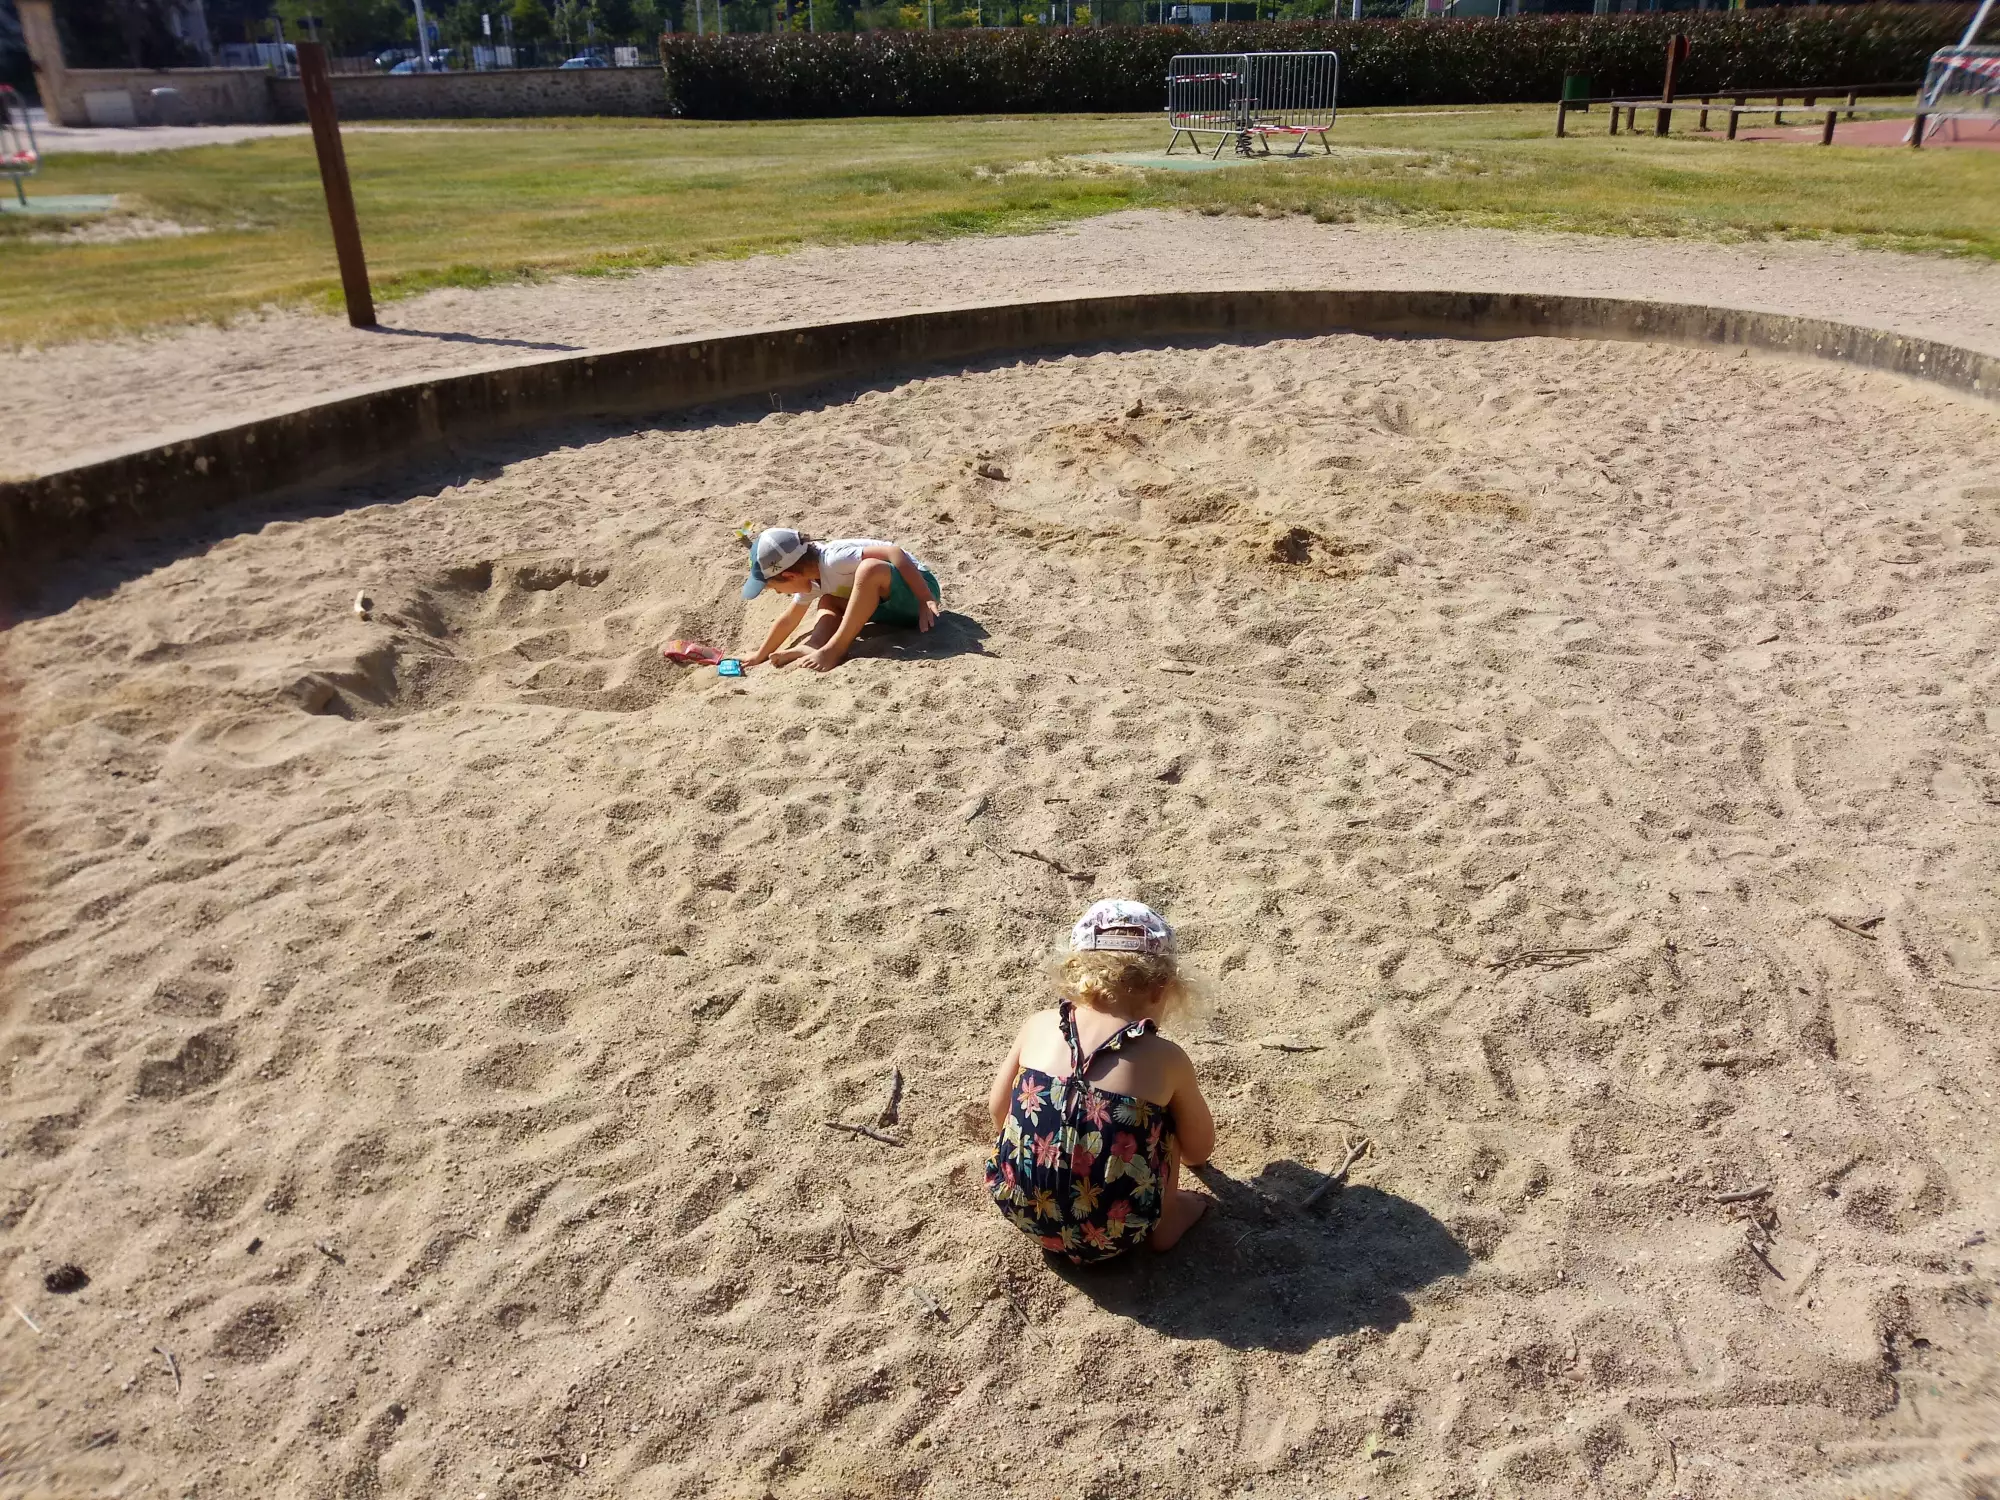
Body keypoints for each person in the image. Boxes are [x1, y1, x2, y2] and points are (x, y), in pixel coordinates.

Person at [985, 900, 1216, 1264]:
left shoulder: (1038, 1025)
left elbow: (998, 1110)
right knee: (1163, 1120)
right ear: (1161, 988)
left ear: (1074, 971)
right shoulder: (1167, 1058)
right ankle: (1167, 1219)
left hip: (1021, 1207)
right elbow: (1199, 1150)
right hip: (1121, 1229)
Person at [738, 527, 941, 673]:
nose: (778, 593)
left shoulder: (833, 559)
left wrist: (925, 597)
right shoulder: (811, 581)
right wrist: (759, 655)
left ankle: (835, 649)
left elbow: (893, 552)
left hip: (917, 593)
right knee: (829, 600)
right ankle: (815, 644)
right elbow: (789, 619)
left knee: (869, 569)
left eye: (775, 588)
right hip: (889, 610)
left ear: (791, 576)